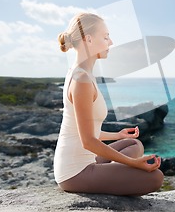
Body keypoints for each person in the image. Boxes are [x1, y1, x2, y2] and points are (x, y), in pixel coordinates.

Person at [53, 12, 163, 195]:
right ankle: (108, 177)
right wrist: (133, 163)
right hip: (75, 172)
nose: (110, 42)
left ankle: (110, 175)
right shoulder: (81, 81)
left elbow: (84, 131)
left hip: (87, 158)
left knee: (134, 145)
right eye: (105, 37)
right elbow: (87, 141)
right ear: (88, 39)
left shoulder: (82, 73)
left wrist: (117, 135)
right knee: (155, 178)